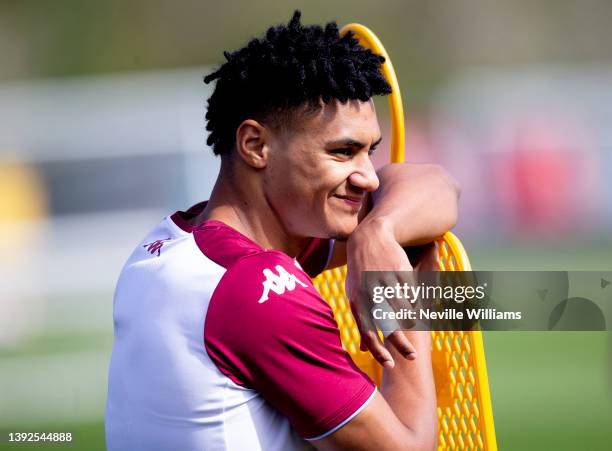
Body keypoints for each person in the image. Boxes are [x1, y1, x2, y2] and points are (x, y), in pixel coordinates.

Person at [105, 11, 459, 451]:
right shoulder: (254, 290)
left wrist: (378, 232)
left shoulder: (171, 245)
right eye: (343, 151)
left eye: (370, 151)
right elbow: (408, 448)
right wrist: (403, 305)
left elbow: (440, 187)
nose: (368, 176)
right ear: (255, 145)